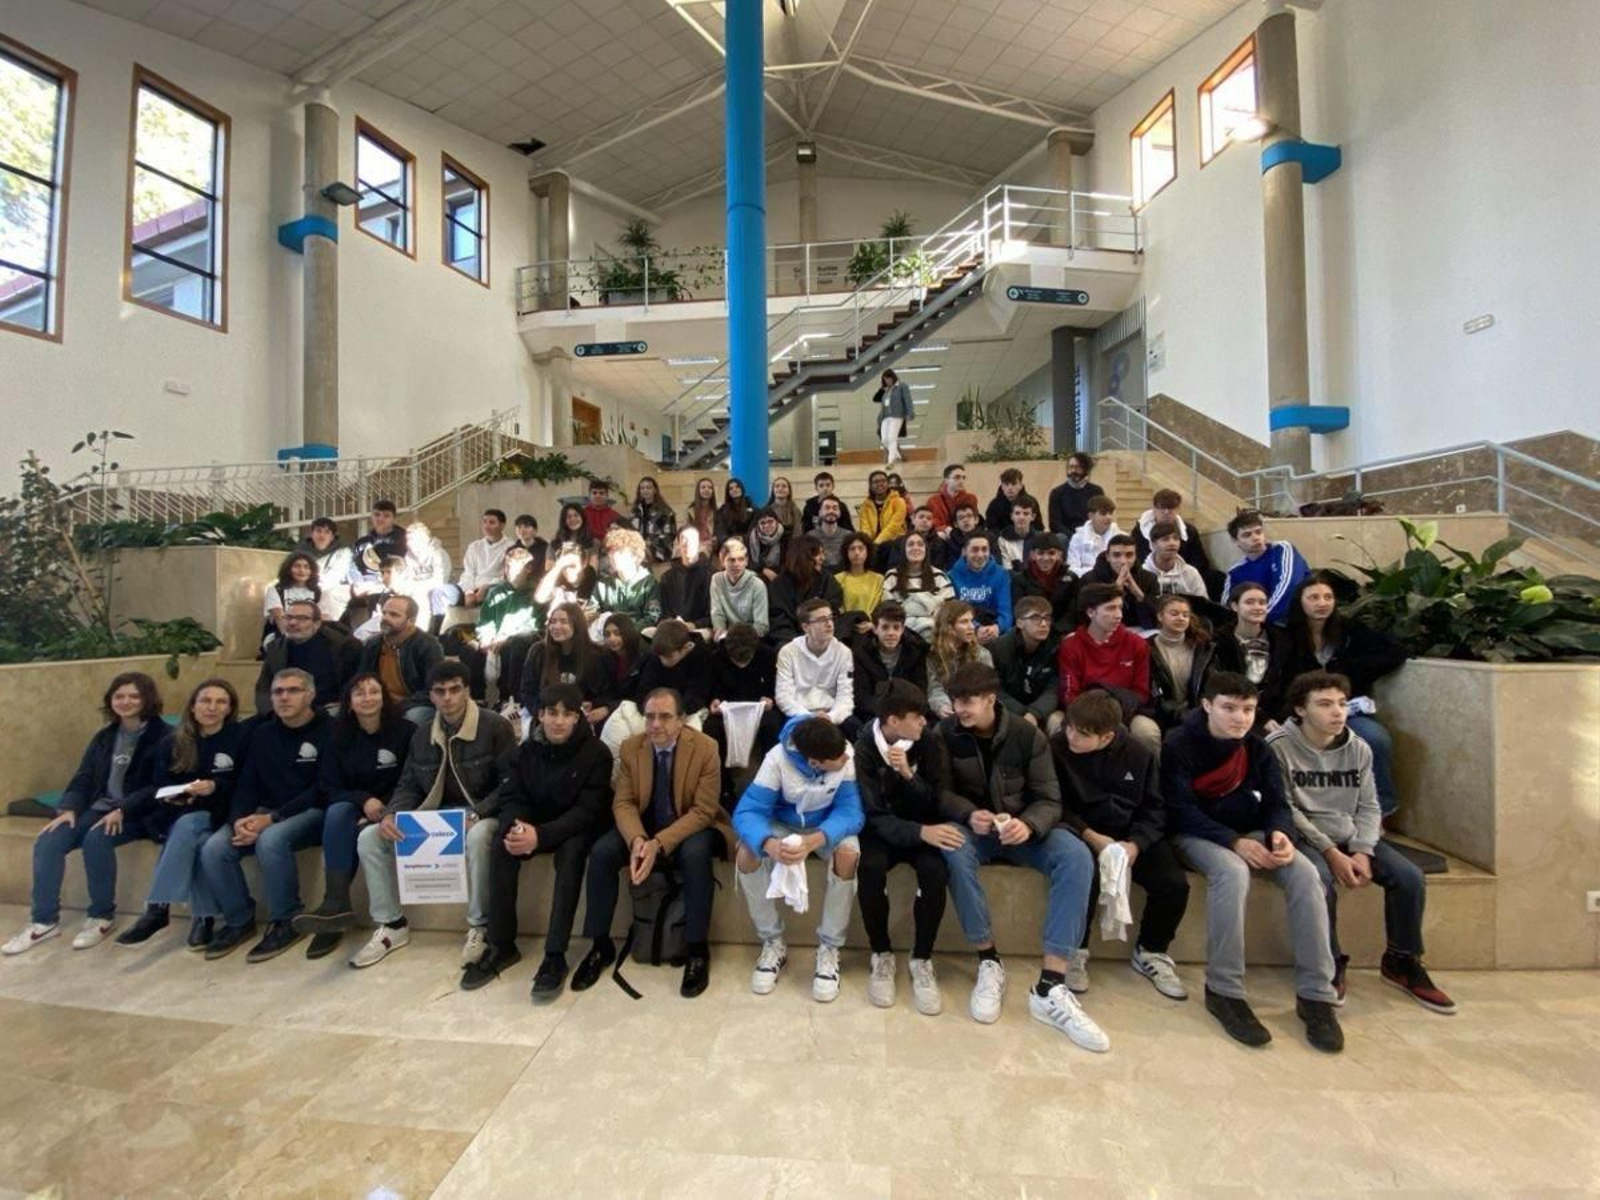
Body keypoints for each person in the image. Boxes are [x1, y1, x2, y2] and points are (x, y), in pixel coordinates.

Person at [1162, 672, 1344, 1053]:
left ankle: (1316, 995)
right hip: (1200, 836)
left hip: (1253, 834)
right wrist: (1233, 842)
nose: (1240, 718)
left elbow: (1278, 804)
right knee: (1231, 872)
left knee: (1308, 875)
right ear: (1208, 705)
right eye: (1229, 708)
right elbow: (1178, 810)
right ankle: (1224, 990)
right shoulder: (1178, 745)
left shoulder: (1259, 748)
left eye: (1247, 710)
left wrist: (1280, 833)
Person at [934, 663, 1107, 1050]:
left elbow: (1050, 798)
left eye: (968, 701)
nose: (959, 709)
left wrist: (1028, 825)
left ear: (991, 700)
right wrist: (966, 813)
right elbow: (939, 792)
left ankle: (1051, 985)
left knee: (1077, 856)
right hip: (976, 831)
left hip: (1025, 831)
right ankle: (988, 961)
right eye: (955, 701)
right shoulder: (944, 733)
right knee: (953, 847)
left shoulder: (1028, 735)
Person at [1269, 670, 1456, 1014]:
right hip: (1306, 837)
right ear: (1300, 709)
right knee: (1319, 880)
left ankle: (1402, 960)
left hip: (1352, 836)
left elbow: (1370, 805)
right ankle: (1330, 962)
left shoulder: (1358, 747)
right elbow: (1285, 808)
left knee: (1409, 877)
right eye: (1324, 704)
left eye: (1341, 703)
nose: (1337, 712)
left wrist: (1362, 850)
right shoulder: (1279, 747)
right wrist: (1329, 851)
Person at [348, 661, 516, 971]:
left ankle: (480, 926)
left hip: (483, 813)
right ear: (431, 696)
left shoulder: (495, 726)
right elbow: (409, 784)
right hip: (436, 815)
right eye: (440, 692)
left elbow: (510, 784)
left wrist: (478, 814)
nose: (448, 697)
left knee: (479, 838)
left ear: (467, 691)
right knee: (371, 837)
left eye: (455, 690)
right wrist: (391, 815)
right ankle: (392, 925)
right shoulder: (422, 734)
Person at [571, 688, 729, 998]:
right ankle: (600, 945)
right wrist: (638, 839)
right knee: (602, 853)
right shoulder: (633, 747)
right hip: (644, 825)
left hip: (690, 824)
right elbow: (625, 803)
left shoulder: (706, 747)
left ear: (681, 721)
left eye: (665, 717)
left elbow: (703, 810)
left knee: (696, 854)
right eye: (650, 717)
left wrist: (659, 843)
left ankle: (697, 949)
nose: (655, 725)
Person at [462, 682, 613, 999]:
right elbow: (513, 797)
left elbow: (588, 811)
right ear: (540, 715)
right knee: (504, 842)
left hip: (576, 827)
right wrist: (518, 829)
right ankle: (501, 945)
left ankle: (554, 955)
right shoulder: (522, 753)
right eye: (551, 713)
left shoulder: (597, 754)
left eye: (567, 714)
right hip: (535, 823)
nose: (558, 721)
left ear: (577, 718)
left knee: (572, 854)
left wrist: (540, 837)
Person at [4, 672, 170, 955]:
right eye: (119, 696)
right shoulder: (105, 737)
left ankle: (102, 917)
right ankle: (43, 921)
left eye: (134, 696)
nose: (126, 701)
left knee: (97, 840)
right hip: (100, 808)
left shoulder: (164, 736)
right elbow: (84, 777)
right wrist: (69, 808)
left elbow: (161, 786)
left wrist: (123, 808)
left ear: (147, 699)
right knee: (50, 839)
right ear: (110, 701)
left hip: (140, 814)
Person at [1051, 691, 1190, 1000]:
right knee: (1083, 873)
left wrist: (1136, 845)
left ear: (1107, 737)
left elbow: (1155, 808)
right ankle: (1076, 951)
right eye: (1069, 727)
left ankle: (1151, 951)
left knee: (1173, 884)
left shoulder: (1139, 755)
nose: (1071, 735)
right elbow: (1053, 803)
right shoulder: (1057, 748)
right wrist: (1091, 835)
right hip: (1081, 830)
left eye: (1082, 734)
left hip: (1131, 833)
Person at [197, 668, 334, 963]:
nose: (284, 697)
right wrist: (238, 819)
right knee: (214, 848)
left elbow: (324, 788)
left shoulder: (330, 730)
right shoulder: (260, 734)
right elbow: (246, 784)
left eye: (293, 690)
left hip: (312, 812)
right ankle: (239, 920)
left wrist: (272, 818)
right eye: (278, 692)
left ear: (310, 694)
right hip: (266, 812)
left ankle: (286, 919)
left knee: (270, 841)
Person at [733, 715, 864, 1001]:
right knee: (746, 853)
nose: (844, 760)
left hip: (824, 825)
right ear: (814, 762)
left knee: (848, 854)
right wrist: (768, 843)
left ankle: (829, 947)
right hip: (783, 823)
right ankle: (772, 942)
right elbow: (748, 812)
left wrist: (816, 840)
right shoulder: (776, 759)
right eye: (836, 761)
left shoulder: (845, 753)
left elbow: (852, 812)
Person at [111, 678, 245, 950]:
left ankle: (159, 908)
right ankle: (202, 917)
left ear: (230, 708)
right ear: (193, 707)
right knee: (190, 834)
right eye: (205, 701)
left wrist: (215, 787)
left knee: (188, 829)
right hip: (182, 813)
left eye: (221, 702)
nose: (212, 707)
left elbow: (247, 784)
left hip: (223, 811)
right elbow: (159, 785)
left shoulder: (241, 738)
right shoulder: (173, 742)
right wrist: (175, 795)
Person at [289, 672, 414, 959]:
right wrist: (362, 801)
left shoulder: (406, 731)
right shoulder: (337, 736)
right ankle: (335, 902)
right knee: (338, 811)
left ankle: (334, 908)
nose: (367, 698)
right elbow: (328, 785)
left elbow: (411, 780)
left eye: (373, 691)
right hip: (351, 810)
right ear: (349, 702)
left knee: (352, 824)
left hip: (394, 809)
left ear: (384, 697)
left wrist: (381, 809)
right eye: (359, 693)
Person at [853, 679, 953, 1012]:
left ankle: (922, 957)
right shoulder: (864, 748)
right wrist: (918, 832)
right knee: (869, 868)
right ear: (893, 721)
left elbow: (937, 800)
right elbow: (872, 814)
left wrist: (910, 776)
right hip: (884, 831)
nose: (925, 721)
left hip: (921, 826)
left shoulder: (929, 741)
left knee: (935, 871)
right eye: (918, 716)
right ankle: (881, 954)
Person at [1281, 572, 1408, 816]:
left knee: (1376, 738)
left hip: (1346, 708)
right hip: (1305, 711)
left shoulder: (1350, 630)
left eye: (1328, 597)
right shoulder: (1287, 635)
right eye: (1314, 597)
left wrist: (1347, 673)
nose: (1322, 603)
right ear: (1301, 601)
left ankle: (1382, 807)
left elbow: (1395, 652)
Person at [1057, 583, 1161, 756]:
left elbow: (1141, 692)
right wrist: (1093, 717)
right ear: (1091, 612)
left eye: (1120, 608)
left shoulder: (1137, 644)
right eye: (1110, 609)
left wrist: (1113, 715)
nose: (1118, 615)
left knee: (1147, 732)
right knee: (1055, 724)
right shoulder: (1071, 645)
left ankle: (1152, 779)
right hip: (1083, 713)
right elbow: (1069, 695)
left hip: (1127, 712)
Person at [441, 545, 539, 703]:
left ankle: (506, 699)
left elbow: (536, 625)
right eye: (507, 565)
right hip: (494, 638)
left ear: (528, 568)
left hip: (518, 639)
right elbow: (485, 621)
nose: (509, 570)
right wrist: (486, 637)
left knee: (512, 647)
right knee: (470, 649)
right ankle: (477, 699)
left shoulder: (535, 592)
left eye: (515, 566)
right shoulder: (496, 592)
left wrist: (506, 637)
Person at [703, 623, 785, 785]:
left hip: (761, 709)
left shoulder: (768, 655)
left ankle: (773, 778)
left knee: (773, 725)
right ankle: (721, 782)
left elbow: (778, 687)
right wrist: (714, 700)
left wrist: (771, 699)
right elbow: (710, 687)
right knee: (711, 729)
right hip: (728, 709)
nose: (741, 664)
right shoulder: (716, 657)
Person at [520, 601, 616, 730]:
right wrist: (543, 714)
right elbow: (527, 690)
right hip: (544, 714)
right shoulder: (538, 651)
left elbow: (606, 692)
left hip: (579, 715)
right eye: (553, 621)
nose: (556, 626)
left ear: (577, 625)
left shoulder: (596, 655)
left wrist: (594, 705)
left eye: (564, 621)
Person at [254, 599, 359, 712]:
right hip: (286, 711)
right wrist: (272, 712)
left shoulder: (342, 646)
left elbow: (355, 684)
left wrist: (343, 705)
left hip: (329, 711)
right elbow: (263, 689)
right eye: (288, 617)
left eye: (302, 618)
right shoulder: (276, 649)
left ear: (317, 624)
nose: (293, 623)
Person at [357, 595, 445, 727]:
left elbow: (433, 689)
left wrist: (397, 707)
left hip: (414, 706)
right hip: (377, 701)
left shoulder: (428, 645)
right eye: (384, 613)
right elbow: (361, 679)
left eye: (394, 615)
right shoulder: (373, 644)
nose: (385, 618)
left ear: (411, 621)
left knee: (411, 719)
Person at [1211, 580, 1289, 726]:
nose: (1257, 607)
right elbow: (1222, 685)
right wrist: (1260, 718)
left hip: (1277, 712)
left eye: (1262, 602)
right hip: (1235, 711)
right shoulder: (1218, 642)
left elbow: (1286, 682)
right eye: (1250, 602)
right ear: (1235, 606)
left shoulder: (1281, 639)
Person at [775, 598, 856, 734]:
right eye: (821, 620)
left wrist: (831, 717)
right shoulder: (788, 652)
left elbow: (845, 695)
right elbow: (784, 696)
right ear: (806, 627)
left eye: (830, 618)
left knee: (856, 728)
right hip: (799, 714)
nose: (829, 624)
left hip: (831, 714)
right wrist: (808, 717)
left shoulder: (844, 652)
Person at [1222, 509, 1310, 625]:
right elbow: (1227, 606)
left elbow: (1290, 585)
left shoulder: (1281, 549)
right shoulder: (1235, 572)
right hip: (1259, 625)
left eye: (1258, 532)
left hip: (1295, 617)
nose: (1255, 538)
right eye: (1247, 535)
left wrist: (1260, 619)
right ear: (1235, 541)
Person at [850, 601, 929, 726]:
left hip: (908, 712)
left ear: (903, 629)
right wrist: (888, 714)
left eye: (896, 627)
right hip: (873, 714)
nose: (891, 633)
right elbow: (862, 697)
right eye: (885, 627)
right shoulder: (860, 653)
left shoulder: (916, 650)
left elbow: (920, 689)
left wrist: (905, 715)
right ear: (875, 629)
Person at [1147, 593, 1216, 732]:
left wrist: (1199, 714)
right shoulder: (1147, 649)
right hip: (1162, 715)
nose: (1181, 618)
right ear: (1160, 616)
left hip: (1200, 715)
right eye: (1174, 613)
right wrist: (1181, 715)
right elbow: (1152, 692)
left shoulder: (1204, 649)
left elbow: (1211, 685)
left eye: (1186, 615)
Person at [990, 595, 1059, 731]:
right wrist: (1022, 713)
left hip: (1041, 710)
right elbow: (995, 689)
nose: (1044, 624)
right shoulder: (998, 648)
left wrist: (1034, 712)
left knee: (1056, 723)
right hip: (1009, 709)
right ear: (1020, 623)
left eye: (1047, 618)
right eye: (1035, 618)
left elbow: (1054, 688)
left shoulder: (1055, 647)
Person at [1133, 489, 1218, 596]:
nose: (1166, 512)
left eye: (1171, 508)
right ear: (1154, 509)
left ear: (1178, 509)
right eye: (1162, 508)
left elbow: (1199, 560)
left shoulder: (1189, 531)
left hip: (1183, 575)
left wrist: (1184, 574)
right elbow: (1137, 558)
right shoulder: (1139, 531)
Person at [766, 534, 844, 644]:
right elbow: (778, 620)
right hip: (790, 641)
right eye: (818, 554)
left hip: (821, 635)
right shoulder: (780, 584)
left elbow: (833, 607)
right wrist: (799, 643)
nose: (823, 558)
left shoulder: (825, 578)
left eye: (823, 553)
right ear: (804, 556)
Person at [345, 500, 409, 628]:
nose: (381, 519)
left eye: (386, 515)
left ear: (393, 518)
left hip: (392, 582)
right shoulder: (361, 543)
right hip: (363, 583)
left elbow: (405, 566)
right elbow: (351, 566)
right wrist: (358, 584)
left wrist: (380, 583)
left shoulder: (404, 540)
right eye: (377, 514)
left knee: (376, 598)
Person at [926, 600, 993, 719]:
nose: (972, 627)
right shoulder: (933, 655)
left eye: (971, 621)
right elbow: (935, 688)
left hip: (976, 711)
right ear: (949, 627)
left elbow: (987, 688)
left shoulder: (982, 654)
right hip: (947, 713)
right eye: (964, 622)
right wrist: (942, 706)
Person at [886, 530, 955, 639]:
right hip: (903, 635)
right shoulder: (892, 576)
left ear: (926, 550)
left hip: (934, 633)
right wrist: (929, 606)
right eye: (910, 544)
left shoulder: (939, 576)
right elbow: (889, 611)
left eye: (920, 544)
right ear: (903, 550)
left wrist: (910, 607)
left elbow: (949, 610)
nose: (915, 548)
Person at [591, 525, 662, 630]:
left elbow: (652, 617)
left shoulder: (648, 584)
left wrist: (627, 632)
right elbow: (592, 612)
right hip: (608, 637)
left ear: (634, 556)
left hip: (638, 638)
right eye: (611, 553)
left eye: (620, 552)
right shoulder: (602, 585)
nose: (613, 557)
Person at [947, 530, 1012, 642]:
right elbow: (954, 612)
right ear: (964, 552)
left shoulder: (1001, 574)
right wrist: (976, 628)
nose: (980, 555)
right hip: (964, 631)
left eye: (984, 549)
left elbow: (1005, 611)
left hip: (995, 631)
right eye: (975, 550)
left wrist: (997, 627)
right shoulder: (951, 576)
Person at [1010, 531, 1078, 637]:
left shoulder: (1072, 579)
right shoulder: (1020, 580)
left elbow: (1073, 612)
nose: (1046, 558)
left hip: (1063, 633)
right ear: (1033, 555)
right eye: (1041, 553)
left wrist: (1057, 631)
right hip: (1031, 634)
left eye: (1051, 553)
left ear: (1059, 555)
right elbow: (1020, 612)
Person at [1086, 534, 1158, 630]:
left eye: (1129, 555)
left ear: (1135, 556)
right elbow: (1087, 617)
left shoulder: (1149, 578)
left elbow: (1155, 620)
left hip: (1140, 631)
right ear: (1108, 557)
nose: (1123, 561)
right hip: (1104, 631)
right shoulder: (1091, 579)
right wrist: (1115, 591)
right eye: (1116, 555)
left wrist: (1139, 594)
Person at [449, 508, 512, 609]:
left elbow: (508, 577)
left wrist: (486, 587)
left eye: (492, 522)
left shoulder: (510, 547)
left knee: (491, 592)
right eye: (484, 522)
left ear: (502, 525)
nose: (487, 526)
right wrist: (468, 592)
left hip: (494, 587)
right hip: (472, 587)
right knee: (446, 592)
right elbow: (468, 573)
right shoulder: (474, 546)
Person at [711, 536, 769, 637]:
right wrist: (719, 630)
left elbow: (761, 626)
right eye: (731, 560)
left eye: (741, 559)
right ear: (722, 561)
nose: (737, 564)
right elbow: (717, 613)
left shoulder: (757, 585)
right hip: (727, 636)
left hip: (750, 637)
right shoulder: (717, 579)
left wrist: (736, 636)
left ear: (746, 561)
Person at [262, 551, 321, 649]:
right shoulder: (276, 590)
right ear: (288, 569)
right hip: (281, 635)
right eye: (297, 566)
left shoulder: (318, 592)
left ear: (312, 571)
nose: (301, 570)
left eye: (306, 567)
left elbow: (318, 620)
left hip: (309, 636)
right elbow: (279, 618)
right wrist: (290, 641)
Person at [403, 521, 453, 633]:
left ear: (424, 539)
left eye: (413, 539)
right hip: (417, 591)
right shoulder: (408, 557)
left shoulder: (439, 554)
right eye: (408, 539)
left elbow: (441, 579)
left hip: (441, 590)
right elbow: (408, 579)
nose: (409, 543)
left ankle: (420, 631)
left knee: (421, 596)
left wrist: (419, 587)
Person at [659, 527, 713, 631]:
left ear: (699, 543)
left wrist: (694, 625)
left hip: (701, 629)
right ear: (678, 544)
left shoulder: (712, 575)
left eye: (692, 539)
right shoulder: (667, 577)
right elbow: (664, 612)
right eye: (684, 539)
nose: (687, 544)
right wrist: (673, 622)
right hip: (673, 629)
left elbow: (714, 614)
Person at [302, 517, 353, 623]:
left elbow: (334, 577)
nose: (322, 535)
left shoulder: (343, 552)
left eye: (327, 532)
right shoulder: (303, 552)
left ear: (332, 537)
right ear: (312, 534)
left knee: (328, 594)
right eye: (318, 531)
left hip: (336, 589)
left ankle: (326, 627)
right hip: (309, 587)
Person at [1144, 520, 1208, 598]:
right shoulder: (1143, 573)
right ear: (1153, 544)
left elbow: (1203, 605)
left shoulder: (1191, 573)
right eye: (1165, 539)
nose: (1172, 543)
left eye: (1176, 538)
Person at [835, 532, 885, 629]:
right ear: (846, 553)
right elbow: (838, 609)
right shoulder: (837, 579)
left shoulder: (879, 579)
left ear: (868, 551)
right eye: (852, 549)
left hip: (873, 628)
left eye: (861, 548)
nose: (856, 552)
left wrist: (872, 625)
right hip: (846, 628)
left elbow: (882, 608)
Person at [1048, 451, 1106, 535]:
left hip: (1091, 534)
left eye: (1077, 467)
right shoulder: (1057, 493)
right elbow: (1055, 524)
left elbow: (1101, 517)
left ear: (1085, 469)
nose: (1073, 471)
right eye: (1071, 467)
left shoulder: (1096, 491)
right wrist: (1075, 537)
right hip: (1067, 536)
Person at [885, 505, 955, 571]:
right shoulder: (900, 541)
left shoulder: (939, 543)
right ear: (913, 520)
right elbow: (893, 565)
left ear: (932, 523)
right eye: (921, 517)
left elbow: (938, 567)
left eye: (929, 518)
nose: (925, 520)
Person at [1067, 495, 1122, 576]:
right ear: (1091, 516)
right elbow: (1072, 568)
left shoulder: (1120, 537)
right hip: (1085, 581)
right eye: (1103, 513)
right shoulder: (1078, 537)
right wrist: (1094, 574)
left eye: (1110, 513)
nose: (1109, 517)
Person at [858, 469, 908, 556]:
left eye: (883, 481)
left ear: (887, 484)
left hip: (895, 542)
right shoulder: (865, 506)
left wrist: (877, 543)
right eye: (876, 481)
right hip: (873, 545)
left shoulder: (899, 501)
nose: (880, 484)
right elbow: (865, 528)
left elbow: (893, 527)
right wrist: (869, 544)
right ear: (870, 486)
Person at [630, 476, 677, 564]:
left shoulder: (665, 511)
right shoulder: (635, 511)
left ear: (655, 490)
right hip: (638, 548)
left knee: (640, 556)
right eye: (642, 488)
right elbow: (630, 531)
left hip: (659, 550)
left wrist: (650, 542)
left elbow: (670, 535)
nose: (645, 490)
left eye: (649, 487)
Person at [925, 463, 979, 532]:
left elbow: (973, 520)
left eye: (963, 478)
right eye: (957, 477)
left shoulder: (970, 498)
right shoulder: (933, 501)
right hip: (943, 535)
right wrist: (945, 529)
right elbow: (933, 521)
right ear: (946, 480)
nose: (961, 481)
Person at [994, 494, 1042, 571]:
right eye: (1017, 513)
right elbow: (1007, 570)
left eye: (1026, 513)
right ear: (1011, 516)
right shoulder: (1003, 540)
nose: (1021, 517)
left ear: (1033, 517)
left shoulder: (1040, 539)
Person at [877, 368, 913, 463]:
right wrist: (880, 418)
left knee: (892, 438)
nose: (887, 381)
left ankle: (891, 462)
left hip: (897, 415)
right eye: (885, 380)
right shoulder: (886, 391)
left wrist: (910, 413)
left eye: (888, 379)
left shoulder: (902, 386)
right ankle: (897, 455)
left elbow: (908, 400)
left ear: (893, 377)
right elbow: (884, 405)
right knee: (884, 440)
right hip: (885, 417)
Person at [745, 507, 789, 582]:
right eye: (762, 523)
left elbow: (787, 563)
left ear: (777, 522)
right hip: (756, 574)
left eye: (770, 521)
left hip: (779, 575)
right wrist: (763, 570)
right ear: (757, 525)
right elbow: (746, 561)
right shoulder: (750, 538)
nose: (767, 525)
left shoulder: (786, 538)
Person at [984, 467, 1027, 534]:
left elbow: (1038, 526)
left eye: (1014, 484)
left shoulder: (1030, 503)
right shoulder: (994, 505)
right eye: (1006, 484)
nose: (1010, 488)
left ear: (1021, 485)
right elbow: (991, 529)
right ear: (1002, 486)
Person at [714, 477, 756, 543]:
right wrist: (727, 540)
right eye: (731, 488)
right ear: (728, 493)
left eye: (737, 487)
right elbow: (720, 529)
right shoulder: (723, 510)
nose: (734, 489)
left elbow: (754, 529)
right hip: (728, 543)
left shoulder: (753, 509)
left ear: (741, 489)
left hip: (747, 543)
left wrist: (744, 538)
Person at [811, 496, 849, 570]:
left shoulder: (849, 537)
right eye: (827, 508)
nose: (831, 511)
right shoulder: (810, 537)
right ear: (820, 512)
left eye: (835, 508)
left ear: (840, 512)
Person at [511, 514, 548, 579]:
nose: (522, 530)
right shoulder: (511, 550)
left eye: (526, 527)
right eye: (519, 527)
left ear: (535, 530)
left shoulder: (545, 549)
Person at [685, 477, 718, 546]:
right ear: (698, 490)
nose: (707, 490)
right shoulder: (690, 511)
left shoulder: (716, 512)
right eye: (703, 487)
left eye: (710, 487)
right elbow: (686, 532)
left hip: (711, 545)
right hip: (694, 545)